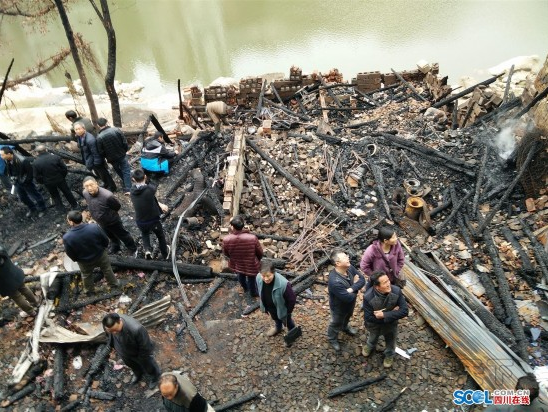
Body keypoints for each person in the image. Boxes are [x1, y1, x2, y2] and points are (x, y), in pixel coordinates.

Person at [62, 210, 119, 295]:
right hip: (100, 255)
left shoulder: (67, 237)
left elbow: (70, 253)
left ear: (71, 222)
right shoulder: (94, 227)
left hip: (84, 261)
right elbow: (105, 240)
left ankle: (89, 292)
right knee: (107, 269)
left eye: (68, 220)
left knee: (86, 275)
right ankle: (114, 285)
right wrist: (103, 249)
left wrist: (76, 259)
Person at [362, 271, 408, 368]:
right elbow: (368, 317)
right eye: (385, 283)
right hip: (375, 325)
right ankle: (370, 346)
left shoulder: (396, 291)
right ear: (377, 287)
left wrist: (384, 315)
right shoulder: (368, 297)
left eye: (388, 280)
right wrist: (394, 313)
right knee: (373, 337)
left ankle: (389, 354)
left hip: (391, 324)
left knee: (391, 340)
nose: (388, 284)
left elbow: (404, 311)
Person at [102, 313, 161, 389]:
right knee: (132, 364)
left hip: (138, 352)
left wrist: (143, 358)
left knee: (148, 365)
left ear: (120, 321)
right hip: (123, 351)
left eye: (116, 330)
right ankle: (138, 374)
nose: (114, 333)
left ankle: (154, 376)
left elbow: (145, 347)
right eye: (111, 331)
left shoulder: (137, 329)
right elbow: (108, 335)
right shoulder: (106, 324)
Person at [82, 176, 137, 255]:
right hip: (101, 222)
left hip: (112, 221)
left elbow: (117, 206)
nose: (89, 188)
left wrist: (109, 215)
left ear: (96, 184)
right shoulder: (85, 193)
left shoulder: (107, 196)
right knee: (110, 235)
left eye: (91, 185)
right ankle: (116, 246)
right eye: (86, 186)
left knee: (123, 235)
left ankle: (132, 248)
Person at [327, 249, 365, 351]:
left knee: (348, 316)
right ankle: (332, 338)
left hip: (350, 304)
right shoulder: (335, 281)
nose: (348, 257)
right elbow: (348, 298)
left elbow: (362, 280)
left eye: (346, 255)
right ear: (338, 263)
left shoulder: (349, 267)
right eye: (344, 257)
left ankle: (344, 327)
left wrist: (351, 289)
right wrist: (355, 286)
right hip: (338, 307)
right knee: (335, 323)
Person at [130, 168, 170, 260]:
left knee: (145, 234)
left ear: (133, 179)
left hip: (140, 221)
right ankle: (165, 254)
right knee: (160, 236)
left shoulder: (132, 191)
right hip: (153, 221)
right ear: (145, 177)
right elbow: (153, 185)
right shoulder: (150, 189)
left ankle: (147, 250)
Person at [221, 215, 263, 299]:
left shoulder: (226, 239)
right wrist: (257, 259)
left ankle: (245, 288)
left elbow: (226, 253)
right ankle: (253, 293)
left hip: (237, 262)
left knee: (240, 275)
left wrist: (233, 258)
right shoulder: (252, 238)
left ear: (232, 227)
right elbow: (260, 252)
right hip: (251, 263)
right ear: (243, 225)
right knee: (252, 278)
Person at [1, 146, 47, 218]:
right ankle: (32, 208)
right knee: (22, 197)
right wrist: (11, 177)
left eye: (2, 155)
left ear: (9, 154)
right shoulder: (7, 160)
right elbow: (10, 170)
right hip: (17, 182)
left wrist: (26, 181)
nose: (1, 157)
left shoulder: (23, 160)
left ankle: (43, 209)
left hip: (26, 182)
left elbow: (30, 173)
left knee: (35, 195)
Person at [256, 260, 297, 337]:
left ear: (273, 272)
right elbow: (259, 289)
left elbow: (292, 299)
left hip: (282, 309)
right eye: (263, 276)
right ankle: (278, 328)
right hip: (271, 308)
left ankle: (293, 332)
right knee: (276, 319)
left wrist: (287, 311)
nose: (266, 279)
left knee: (288, 321)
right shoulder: (258, 277)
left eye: (268, 276)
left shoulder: (284, 284)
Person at [74, 121, 117, 193]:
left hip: (96, 160)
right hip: (90, 159)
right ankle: (106, 184)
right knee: (99, 174)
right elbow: (80, 146)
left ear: (84, 129)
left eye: (79, 129)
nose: (77, 131)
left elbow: (95, 152)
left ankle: (112, 187)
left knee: (104, 173)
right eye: (76, 129)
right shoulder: (80, 136)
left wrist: (97, 163)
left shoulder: (90, 139)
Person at [33, 145, 78, 211]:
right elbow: (64, 168)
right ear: (46, 150)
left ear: (37, 152)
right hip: (60, 179)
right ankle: (74, 205)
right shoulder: (55, 157)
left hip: (48, 182)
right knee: (67, 192)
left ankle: (61, 209)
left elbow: (36, 176)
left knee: (55, 195)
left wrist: (43, 181)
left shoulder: (36, 163)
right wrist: (62, 176)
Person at [0, 244, 40, 317]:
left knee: (17, 297)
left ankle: (31, 312)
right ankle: (36, 303)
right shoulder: (1, 249)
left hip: (5, 282)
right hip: (14, 273)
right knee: (24, 288)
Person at [96, 117, 132, 194]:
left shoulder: (99, 137)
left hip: (111, 158)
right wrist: (125, 150)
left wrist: (106, 157)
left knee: (118, 170)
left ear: (98, 125)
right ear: (106, 123)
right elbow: (124, 142)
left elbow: (101, 151)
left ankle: (127, 183)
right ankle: (128, 188)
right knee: (126, 170)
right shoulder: (116, 130)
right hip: (122, 154)